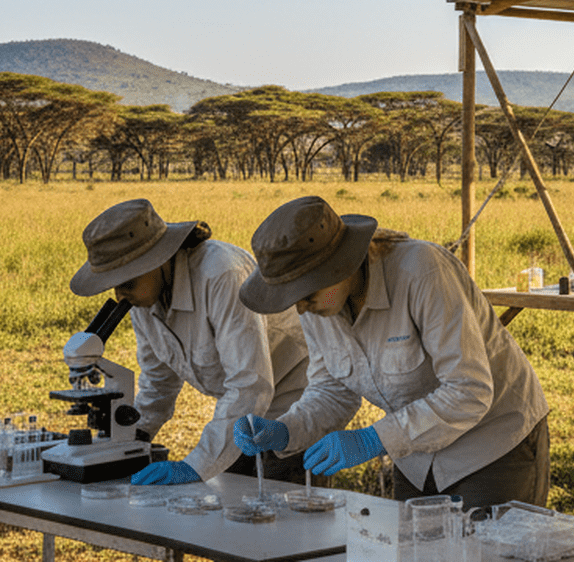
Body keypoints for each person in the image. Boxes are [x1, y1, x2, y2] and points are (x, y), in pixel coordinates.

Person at [230, 195, 550, 510]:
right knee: (413, 541)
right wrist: (287, 430)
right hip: (414, 455)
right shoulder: (319, 305)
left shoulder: (422, 273)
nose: (300, 307)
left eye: (306, 293)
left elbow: (469, 391)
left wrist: (373, 439)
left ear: (340, 267)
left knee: (486, 542)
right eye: (291, 297)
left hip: (492, 446)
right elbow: (333, 390)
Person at [67, 198, 311, 485]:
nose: (120, 296)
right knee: (230, 502)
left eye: (126, 283)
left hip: (292, 411)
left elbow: (249, 384)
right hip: (239, 416)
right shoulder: (143, 298)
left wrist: (194, 466)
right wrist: (133, 438)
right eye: (113, 286)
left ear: (157, 259)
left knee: (277, 507)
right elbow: (158, 381)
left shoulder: (221, 274)